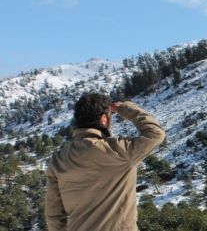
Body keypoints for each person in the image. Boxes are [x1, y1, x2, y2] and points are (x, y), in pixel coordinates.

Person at [45, 93, 165, 231]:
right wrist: (124, 108)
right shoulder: (118, 152)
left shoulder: (58, 160)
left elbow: (54, 216)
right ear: (103, 119)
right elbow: (155, 133)